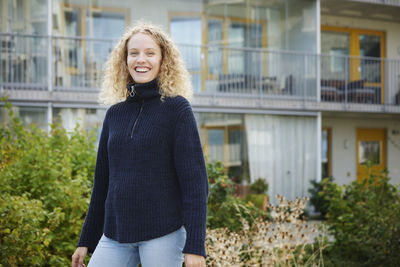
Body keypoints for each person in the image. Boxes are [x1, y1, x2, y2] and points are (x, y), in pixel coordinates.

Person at [71, 21, 209, 267]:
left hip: (163, 233)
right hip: (116, 234)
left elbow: (195, 183)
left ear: (163, 60)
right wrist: (87, 239)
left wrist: (195, 246)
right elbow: (102, 183)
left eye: (149, 53)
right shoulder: (114, 114)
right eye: (133, 53)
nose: (140, 60)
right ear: (124, 60)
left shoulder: (177, 109)